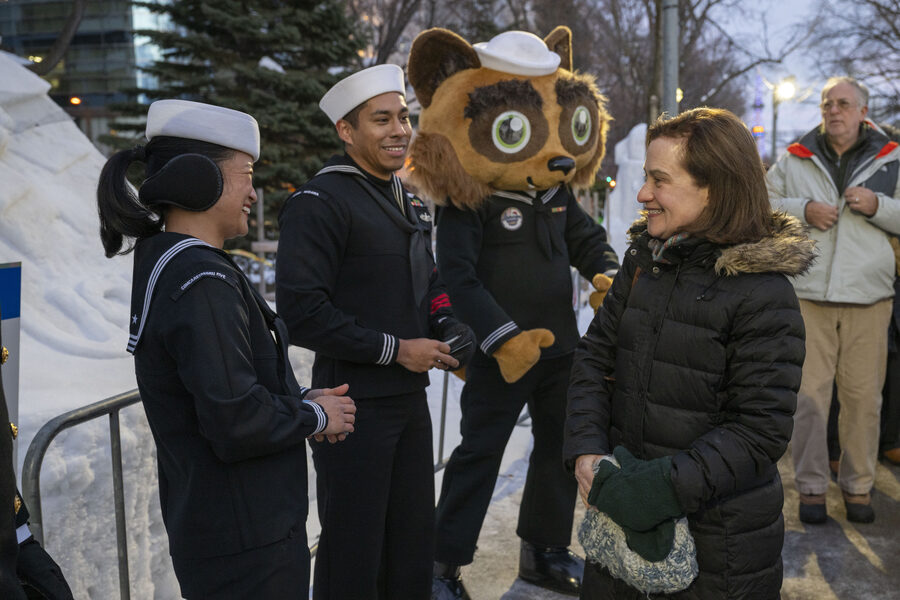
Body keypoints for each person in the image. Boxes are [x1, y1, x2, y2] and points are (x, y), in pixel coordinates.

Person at [96, 99, 356, 599]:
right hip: (246, 541)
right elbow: (234, 418)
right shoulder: (200, 280)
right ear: (199, 180)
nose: (254, 194)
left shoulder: (179, 262)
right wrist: (314, 417)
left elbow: (229, 383)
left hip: (227, 528)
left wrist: (302, 401)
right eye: (247, 175)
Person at [565, 107, 814, 598]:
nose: (642, 195)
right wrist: (586, 448)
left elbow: (760, 431)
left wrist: (657, 488)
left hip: (718, 549)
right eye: (645, 178)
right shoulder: (644, 261)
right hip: (620, 529)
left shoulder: (762, 292)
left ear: (714, 188)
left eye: (660, 180)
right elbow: (595, 357)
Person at [275, 65, 475, 600]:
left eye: (403, 117)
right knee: (354, 552)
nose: (398, 130)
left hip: (408, 401)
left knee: (411, 543)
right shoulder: (320, 201)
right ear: (346, 130)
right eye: (381, 119)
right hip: (350, 406)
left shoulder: (404, 197)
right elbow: (300, 311)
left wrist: (448, 322)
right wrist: (396, 350)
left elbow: (427, 280)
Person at [767, 76, 900, 524]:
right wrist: (803, 209)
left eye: (843, 103)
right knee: (808, 399)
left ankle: (859, 487)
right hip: (809, 297)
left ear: (864, 111)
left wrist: (877, 205)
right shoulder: (796, 156)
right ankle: (809, 487)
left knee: (864, 400)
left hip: (870, 299)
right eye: (827, 104)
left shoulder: (893, 157)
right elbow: (762, 205)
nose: (833, 110)